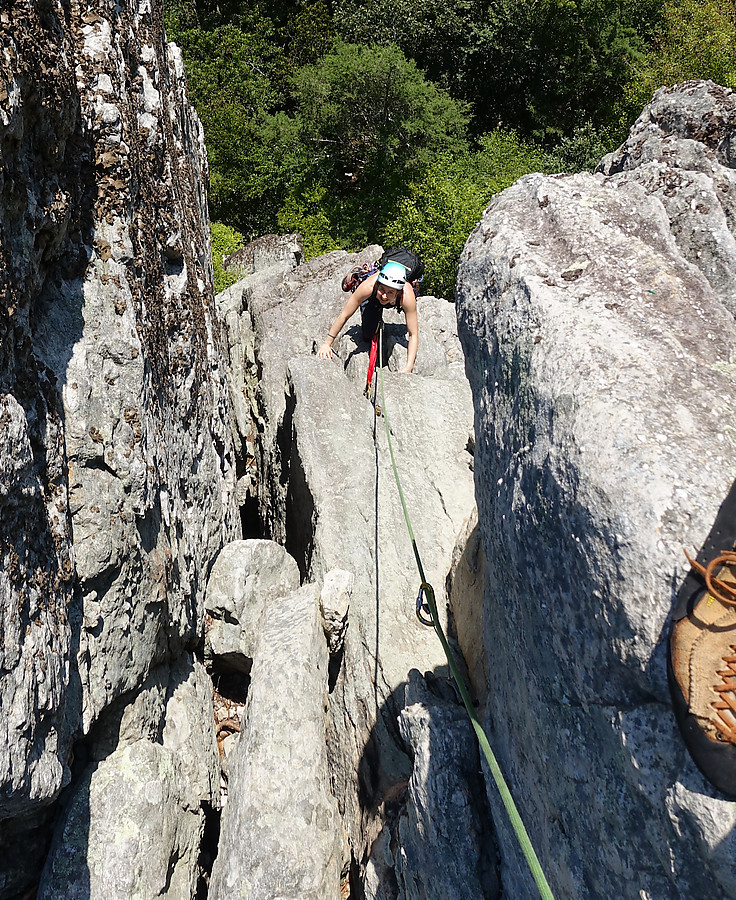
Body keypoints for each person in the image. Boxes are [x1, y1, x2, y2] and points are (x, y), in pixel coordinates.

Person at [317, 261, 418, 373]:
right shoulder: (368, 287)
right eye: (382, 289)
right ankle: (359, 274)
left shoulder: (407, 296)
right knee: (368, 335)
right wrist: (327, 343)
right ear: (378, 285)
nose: (384, 296)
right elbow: (345, 315)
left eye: (390, 292)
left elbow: (413, 334)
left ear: (398, 292)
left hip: (392, 297)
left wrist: (409, 367)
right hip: (373, 298)